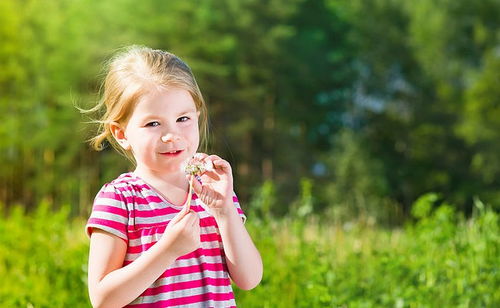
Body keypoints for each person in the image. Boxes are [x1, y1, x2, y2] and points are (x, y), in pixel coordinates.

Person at [85, 46, 263, 308]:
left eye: (182, 119)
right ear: (121, 134)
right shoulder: (120, 199)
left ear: (197, 116)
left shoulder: (213, 190)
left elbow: (249, 279)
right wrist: (167, 250)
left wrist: (225, 211)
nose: (172, 135)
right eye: (153, 124)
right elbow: (102, 299)